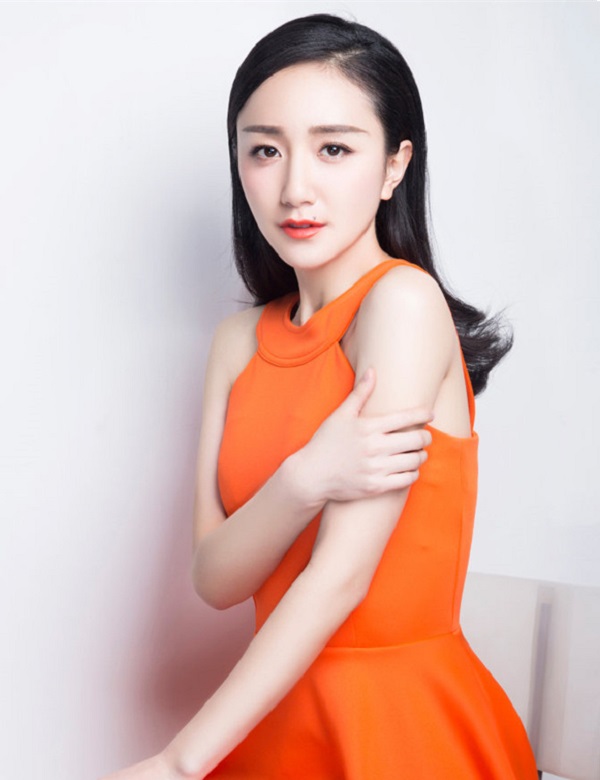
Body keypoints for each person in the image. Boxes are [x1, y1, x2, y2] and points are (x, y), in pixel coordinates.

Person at [101, 13, 539, 780]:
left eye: (334, 148)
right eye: (265, 150)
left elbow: (340, 579)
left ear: (396, 165)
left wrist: (178, 763)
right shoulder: (238, 342)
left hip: (397, 727)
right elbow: (216, 578)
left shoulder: (401, 304)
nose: (295, 187)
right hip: (273, 719)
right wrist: (304, 478)